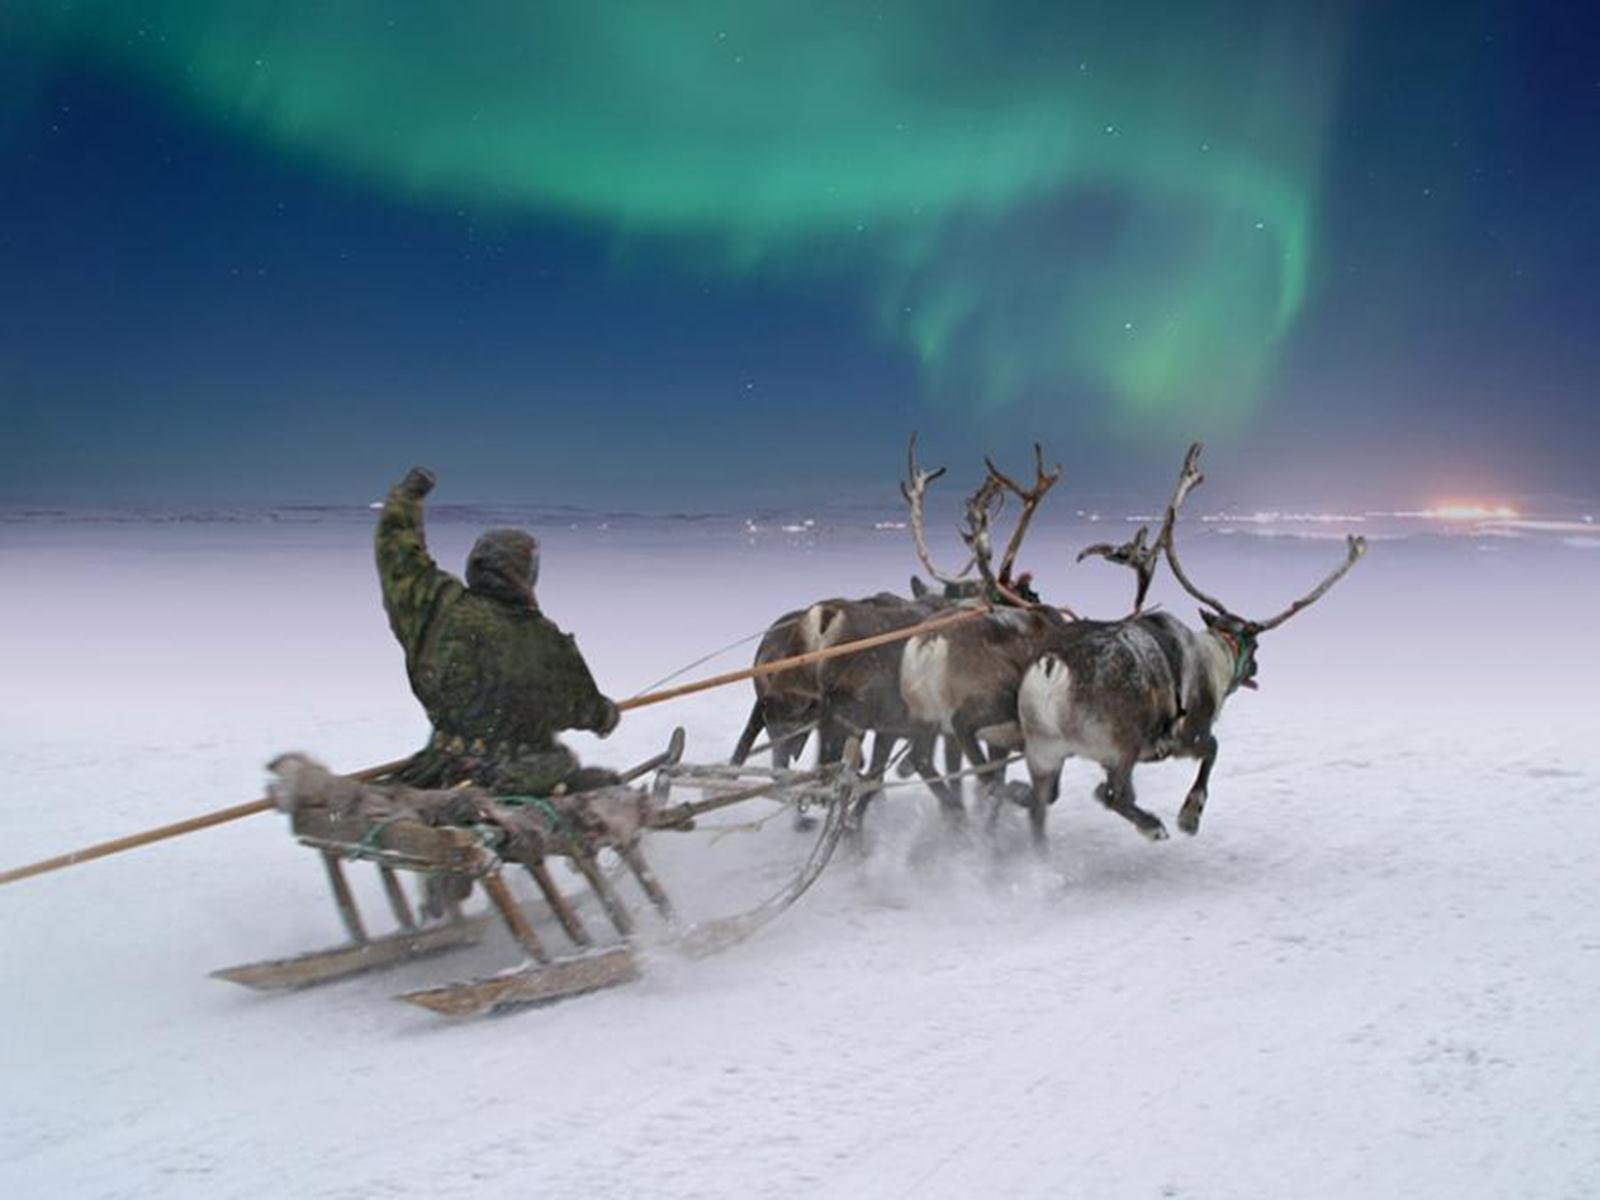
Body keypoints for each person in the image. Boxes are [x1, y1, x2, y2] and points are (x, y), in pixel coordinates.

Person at [375, 465, 621, 798]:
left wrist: (406, 499)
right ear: (526, 574)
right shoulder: (546, 642)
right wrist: (605, 715)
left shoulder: (438, 605)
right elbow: (581, 707)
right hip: (518, 778)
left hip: (442, 767)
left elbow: (398, 556)